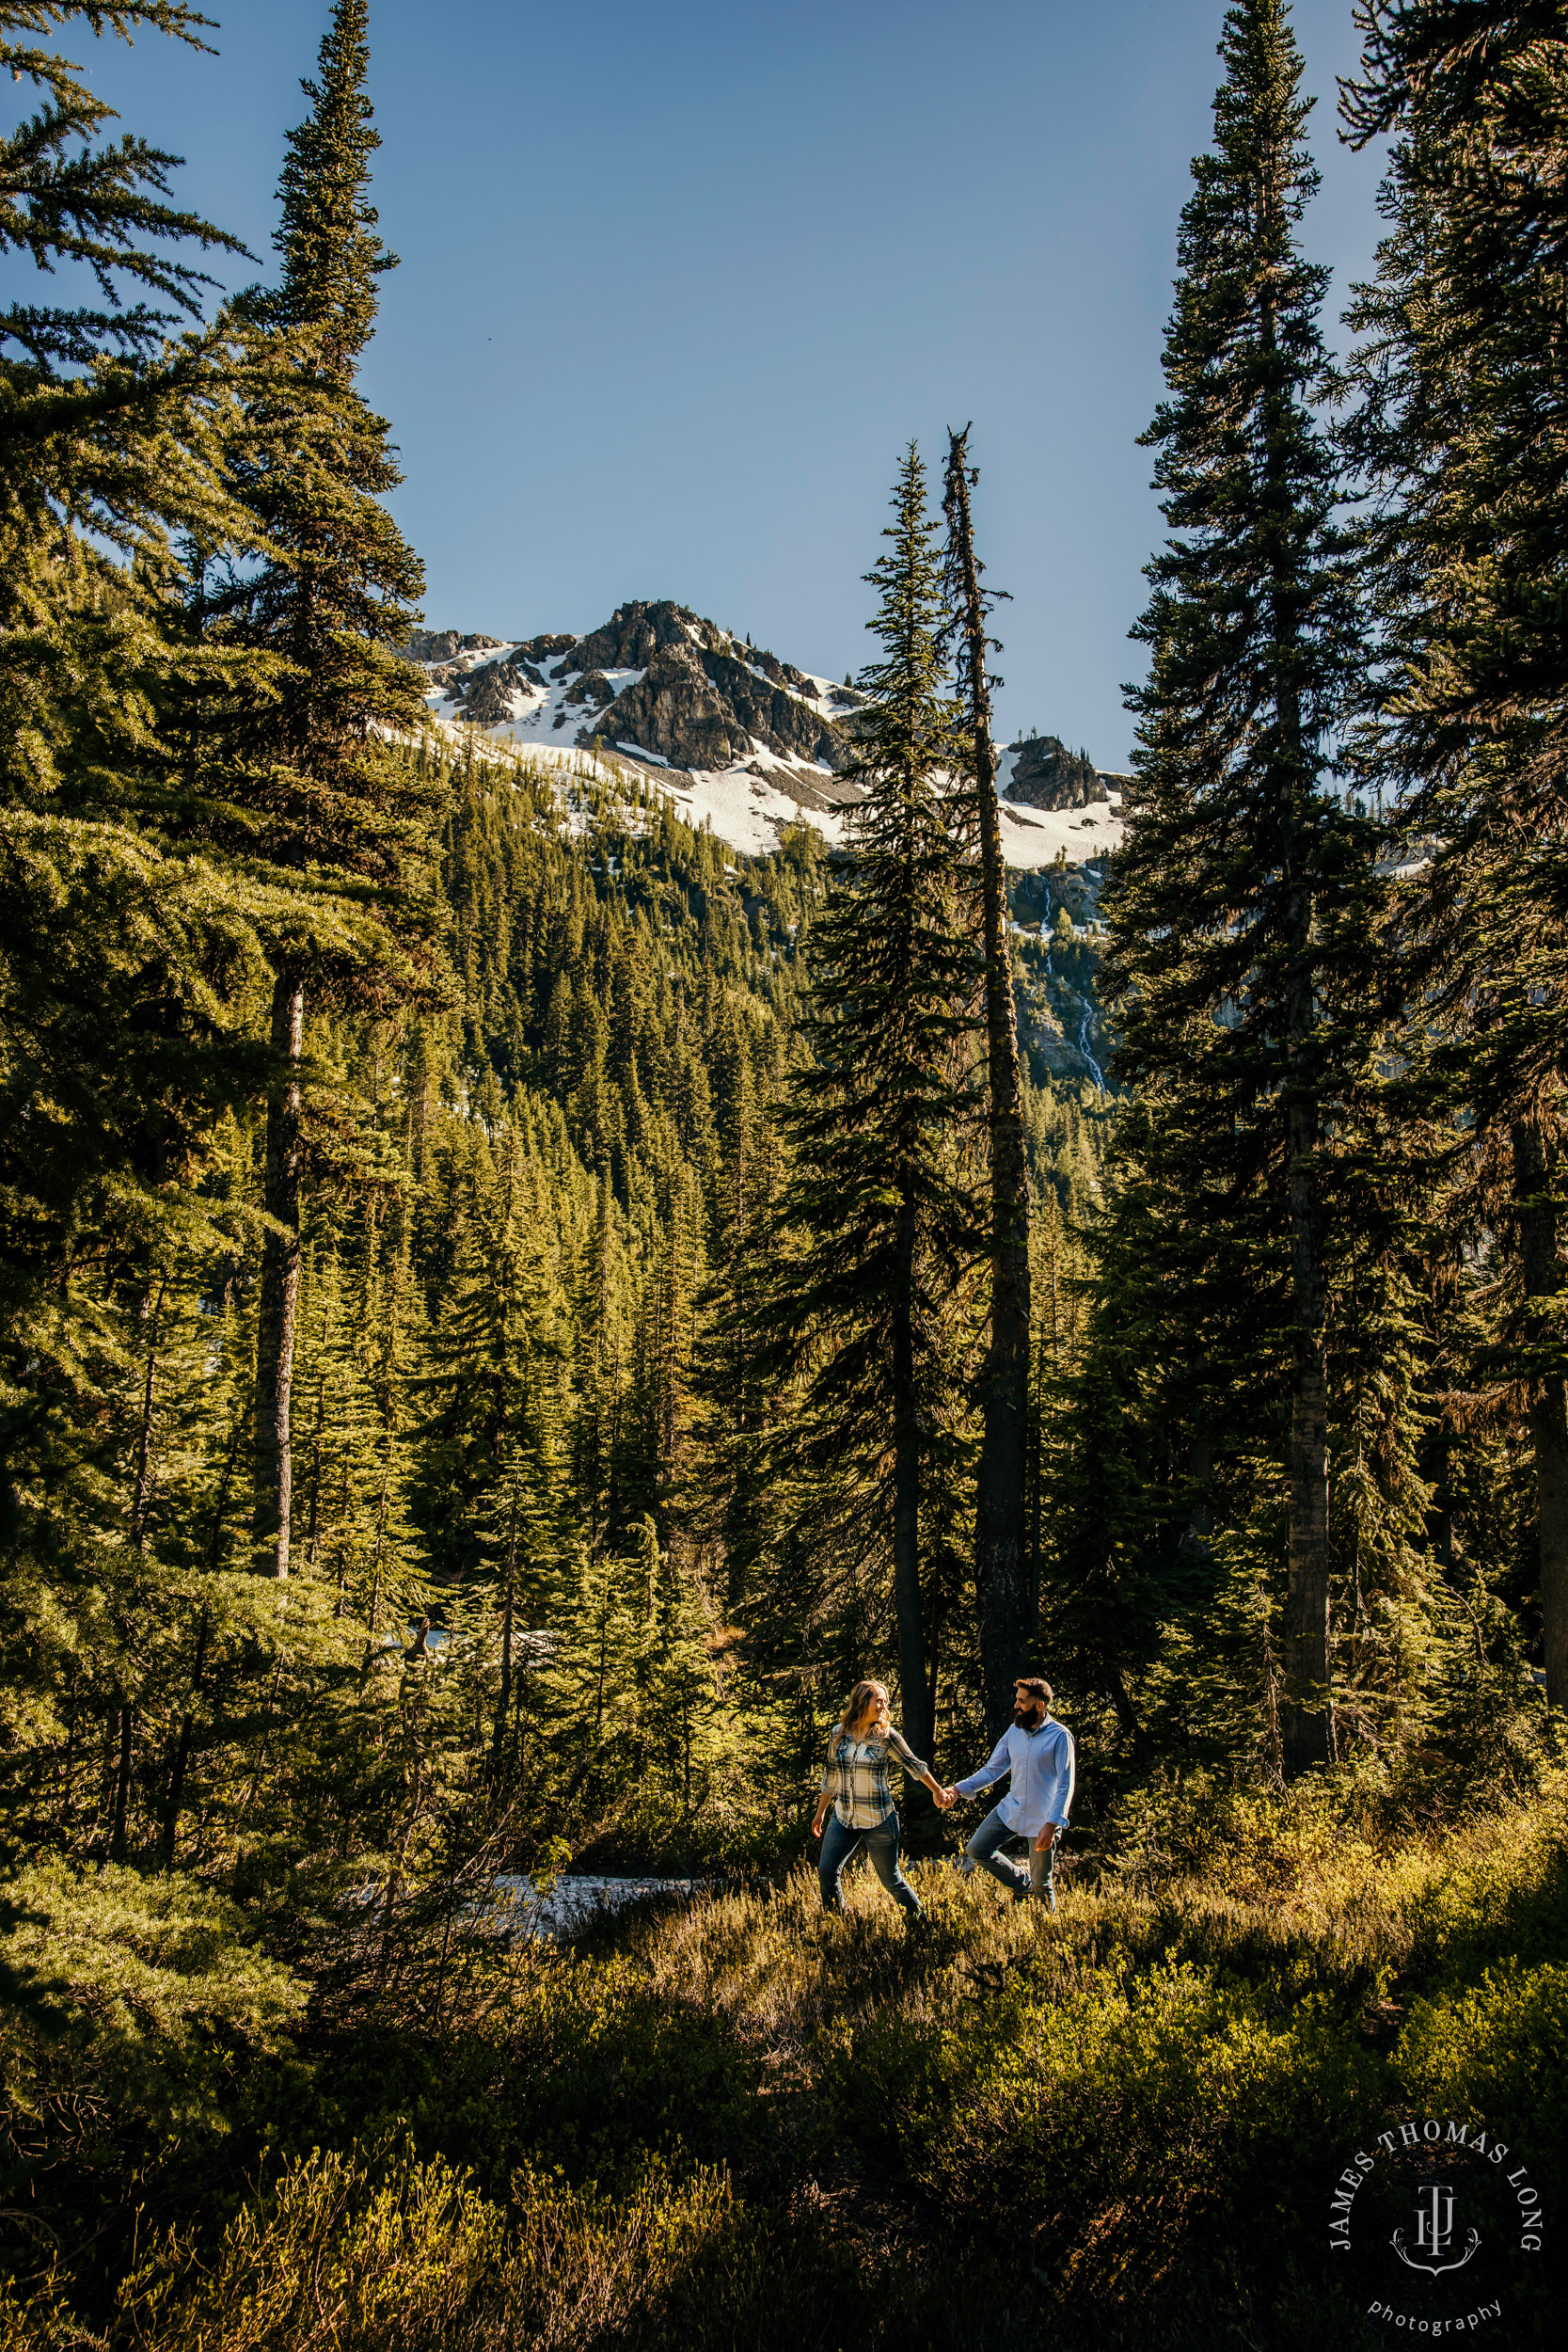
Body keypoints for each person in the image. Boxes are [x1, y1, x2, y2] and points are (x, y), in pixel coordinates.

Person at [810, 1678, 947, 1927]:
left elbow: (914, 1766)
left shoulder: (886, 1736)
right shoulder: (838, 1734)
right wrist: (820, 1813)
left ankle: (922, 1926)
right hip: (844, 1818)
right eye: (879, 1701)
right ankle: (835, 1924)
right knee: (827, 1872)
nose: (884, 1706)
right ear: (862, 1701)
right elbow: (830, 1776)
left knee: (890, 1879)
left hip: (879, 1821)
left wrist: (937, 1791)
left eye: (886, 1702)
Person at [938, 1677, 1074, 1911]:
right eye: (1016, 1700)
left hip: (1044, 1819)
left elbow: (1065, 1785)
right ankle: (1022, 1885)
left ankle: (1046, 1932)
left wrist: (1052, 1824)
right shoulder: (1014, 1731)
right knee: (977, 1849)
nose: (1016, 1706)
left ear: (1040, 1705)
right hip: (1011, 1808)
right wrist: (958, 1789)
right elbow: (993, 1770)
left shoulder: (1060, 1736)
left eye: (1022, 1701)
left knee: (1042, 1883)